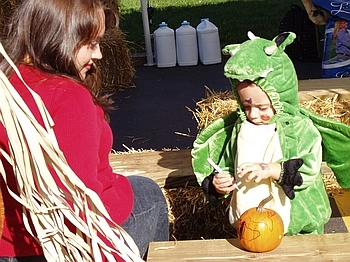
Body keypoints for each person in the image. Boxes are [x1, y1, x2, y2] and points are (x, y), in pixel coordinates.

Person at [0, 0, 169, 261]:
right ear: (60, 37)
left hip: (12, 239)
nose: (99, 54)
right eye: (91, 44)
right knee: (150, 194)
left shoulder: (8, 83)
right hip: (59, 245)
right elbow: (80, 208)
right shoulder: (67, 97)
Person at [192, 31, 335, 236]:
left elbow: (309, 169)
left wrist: (273, 169)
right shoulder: (241, 128)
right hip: (251, 223)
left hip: (297, 227)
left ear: (280, 96)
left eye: (262, 107)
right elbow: (227, 161)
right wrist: (220, 182)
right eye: (246, 106)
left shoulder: (299, 128)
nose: (254, 114)